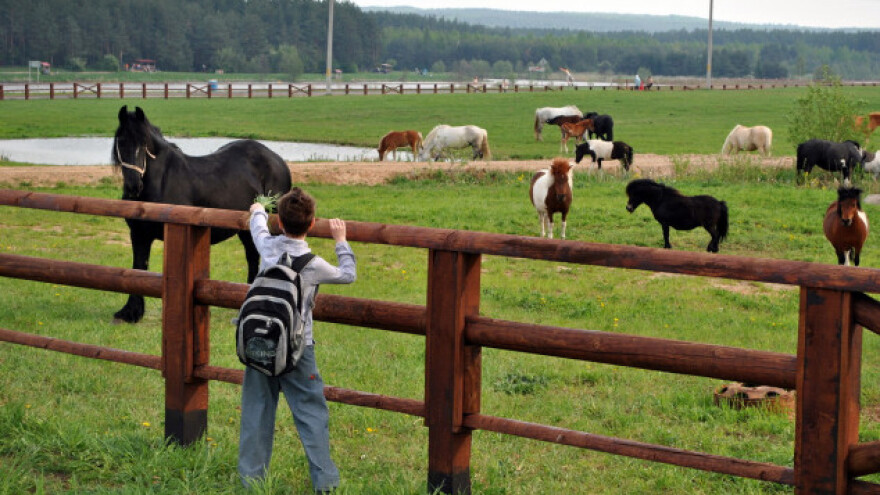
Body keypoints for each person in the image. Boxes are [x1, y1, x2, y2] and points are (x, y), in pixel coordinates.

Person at [239, 187, 357, 493]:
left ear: (279, 223)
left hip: (259, 342)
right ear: (313, 223)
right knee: (310, 413)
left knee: (256, 409)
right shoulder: (313, 264)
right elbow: (348, 275)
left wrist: (258, 210)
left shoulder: (267, 246)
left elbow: (257, 227)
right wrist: (341, 241)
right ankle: (325, 483)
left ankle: (251, 482)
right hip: (298, 347)